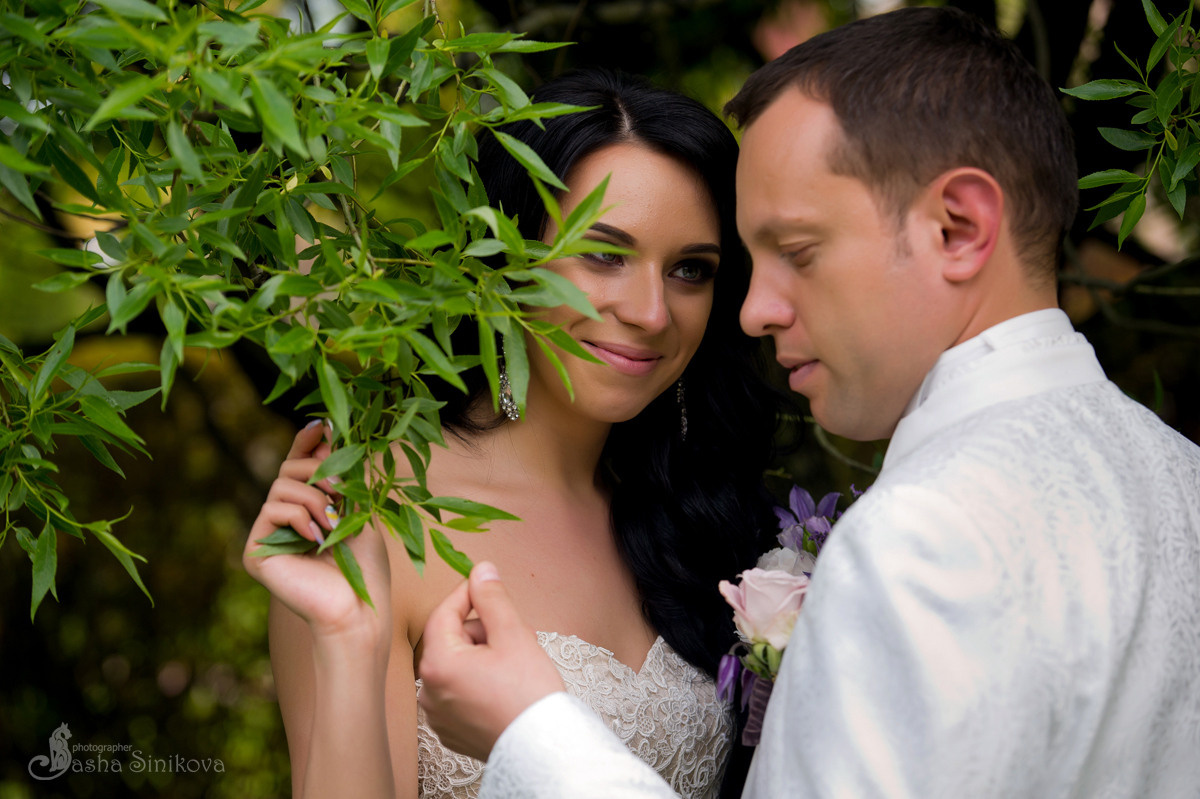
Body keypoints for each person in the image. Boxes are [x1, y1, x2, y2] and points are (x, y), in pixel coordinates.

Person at [415, 7, 1200, 798]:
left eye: (797, 251)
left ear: (958, 228)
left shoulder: (918, 538)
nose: (753, 311)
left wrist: (535, 735)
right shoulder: (1181, 479)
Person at [242, 69, 784, 799]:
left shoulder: (704, 514)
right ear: (504, 260)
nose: (652, 312)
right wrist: (346, 635)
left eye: (691, 269)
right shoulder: (377, 512)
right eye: (604, 253)